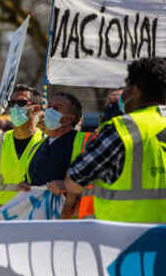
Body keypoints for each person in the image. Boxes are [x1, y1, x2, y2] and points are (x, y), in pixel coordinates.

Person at [59, 57, 166, 223]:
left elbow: (75, 180)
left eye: (127, 87)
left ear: (136, 90)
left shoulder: (124, 128)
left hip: (127, 242)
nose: (125, 93)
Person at [21, 93, 88, 218]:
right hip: (39, 222)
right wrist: (26, 187)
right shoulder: (38, 146)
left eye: (56, 108)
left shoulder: (84, 143)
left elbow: (94, 183)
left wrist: (66, 186)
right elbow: (31, 179)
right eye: (49, 107)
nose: (49, 111)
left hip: (70, 223)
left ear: (69, 119)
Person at [0, 84, 45, 209]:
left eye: (21, 103)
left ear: (36, 109)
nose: (15, 107)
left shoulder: (44, 142)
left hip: (31, 216)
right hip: (2, 218)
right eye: (12, 103)